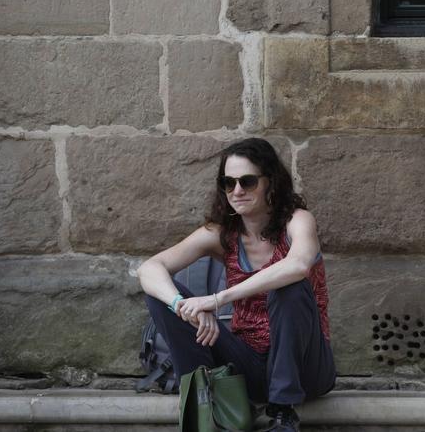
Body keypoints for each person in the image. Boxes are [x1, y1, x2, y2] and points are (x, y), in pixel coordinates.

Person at [137, 138, 335, 432]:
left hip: (307, 369)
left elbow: (298, 265)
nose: (237, 191)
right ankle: (202, 400)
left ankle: (283, 413)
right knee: (162, 298)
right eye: (228, 183)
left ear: (271, 182)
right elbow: (149, 269)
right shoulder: (223, 234)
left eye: (247, 181)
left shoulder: (297, 221)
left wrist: (218, 299)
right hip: (249, 364)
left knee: (290, 287)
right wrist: (186, 308)